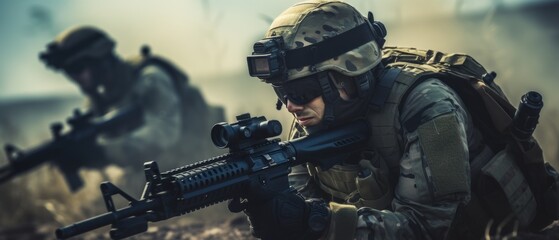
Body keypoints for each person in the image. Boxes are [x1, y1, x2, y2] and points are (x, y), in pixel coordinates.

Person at [242, 1, 559, 239]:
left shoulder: (430, 108)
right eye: (282, 92)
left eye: (300, 91)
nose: (290, 106)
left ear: (347, 77)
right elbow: (305, 206)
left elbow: (426, 227)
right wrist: (279, 208)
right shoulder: (313, 117)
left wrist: (319, 223)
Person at [39, 26, 224, 179]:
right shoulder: (101, 99)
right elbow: (102, 145)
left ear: (99, 60)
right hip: (159, 171)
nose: (74, 77)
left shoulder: (150, 78)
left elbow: (164, 133)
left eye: (78, 68)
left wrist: (103, 152)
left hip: (202, 166)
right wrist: (79, 154)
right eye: (68, 72)